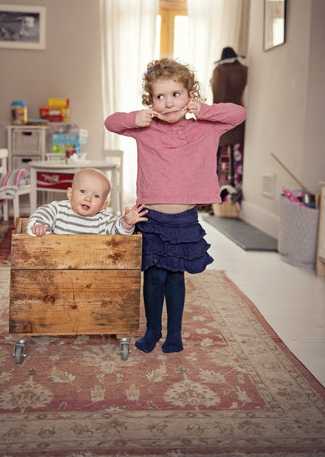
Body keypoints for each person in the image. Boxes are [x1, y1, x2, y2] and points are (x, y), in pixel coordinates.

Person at [104, 58, 246, 354]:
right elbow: (110, 122)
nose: (168, 103)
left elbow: (239, 113)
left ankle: (175, 334)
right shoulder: (146, 128)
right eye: (160, 96)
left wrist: (204, 110)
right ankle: (153, 330)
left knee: (174, 276)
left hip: (183, 220)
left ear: (189, 96)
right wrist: (135, 118)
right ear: (151, 101)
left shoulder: (205, 128)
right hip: (150, 217)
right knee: (153, 276)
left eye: (176, 94)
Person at [27, 167, 147, 236]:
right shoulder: (59, 209)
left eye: (96, 196)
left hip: (92, 269)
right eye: (83, 191)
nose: (88, 199)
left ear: (102, 206)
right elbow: (43, 212)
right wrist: (40, 225)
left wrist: (126, 223)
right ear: (70, 193)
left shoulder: (104, 219)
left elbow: (117, 231)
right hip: (57, 263)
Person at [211, 46, 248, 188]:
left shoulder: (218, 72)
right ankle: (234, 193)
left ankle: (219, 197)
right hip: (238, 120)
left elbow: (216, 98)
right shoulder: (243, 71)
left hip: (219, 119)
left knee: (221, 160)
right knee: (236, 161)